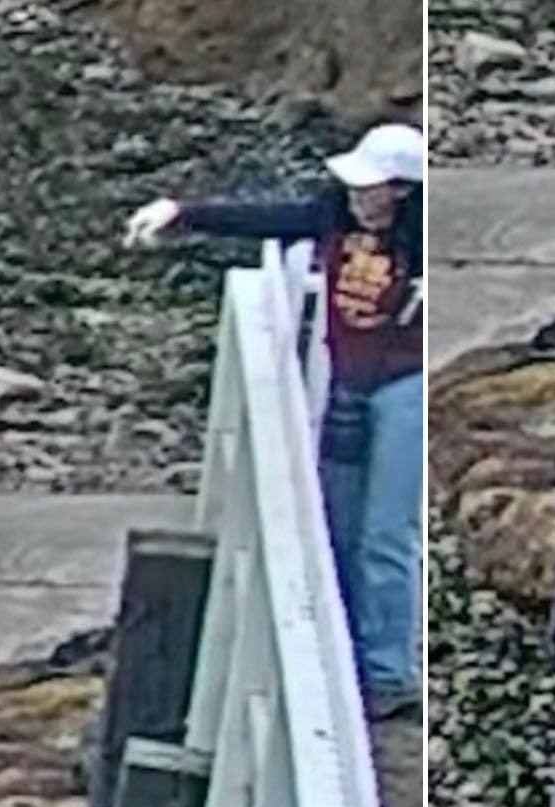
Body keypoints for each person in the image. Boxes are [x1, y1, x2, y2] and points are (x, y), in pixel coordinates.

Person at [123, 124, 423, 720]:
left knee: (386, 532)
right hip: (346, 385)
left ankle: (388, 673)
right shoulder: (331, 217)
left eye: (375, 188)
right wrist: (184, 212)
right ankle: (343, 655)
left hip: (404, 388)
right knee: (335, 525)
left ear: (404, 193)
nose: (361, 196)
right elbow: (262, 217)